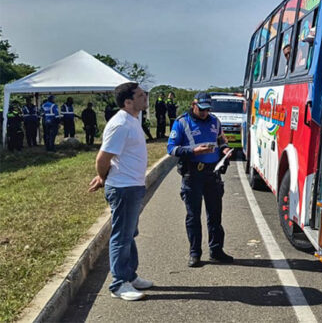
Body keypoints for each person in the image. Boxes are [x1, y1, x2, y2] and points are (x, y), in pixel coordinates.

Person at [88, 82, 152, 301]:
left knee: (129, 234)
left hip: (133, 185)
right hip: (123, 188)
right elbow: (103, 158)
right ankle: (118, 284)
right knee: (121, 237)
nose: (145, 98)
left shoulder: (132, 120)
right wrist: (103, 177)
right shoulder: (121, 124)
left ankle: (130, 276)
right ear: (128, 101)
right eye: (141, 95)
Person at [167, 92, 233, 267]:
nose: (204, 113)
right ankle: (195, 253)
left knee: (215, 215)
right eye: (201, 109)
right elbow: (171, 149)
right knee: (193, 216)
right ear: (193, 105)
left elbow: (221, 140)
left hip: (213, 174)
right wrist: (193, 151)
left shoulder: (215, 121)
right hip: (192, 174)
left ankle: (216, 251)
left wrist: (225, 149)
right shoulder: (181, 122)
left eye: (207, 109)